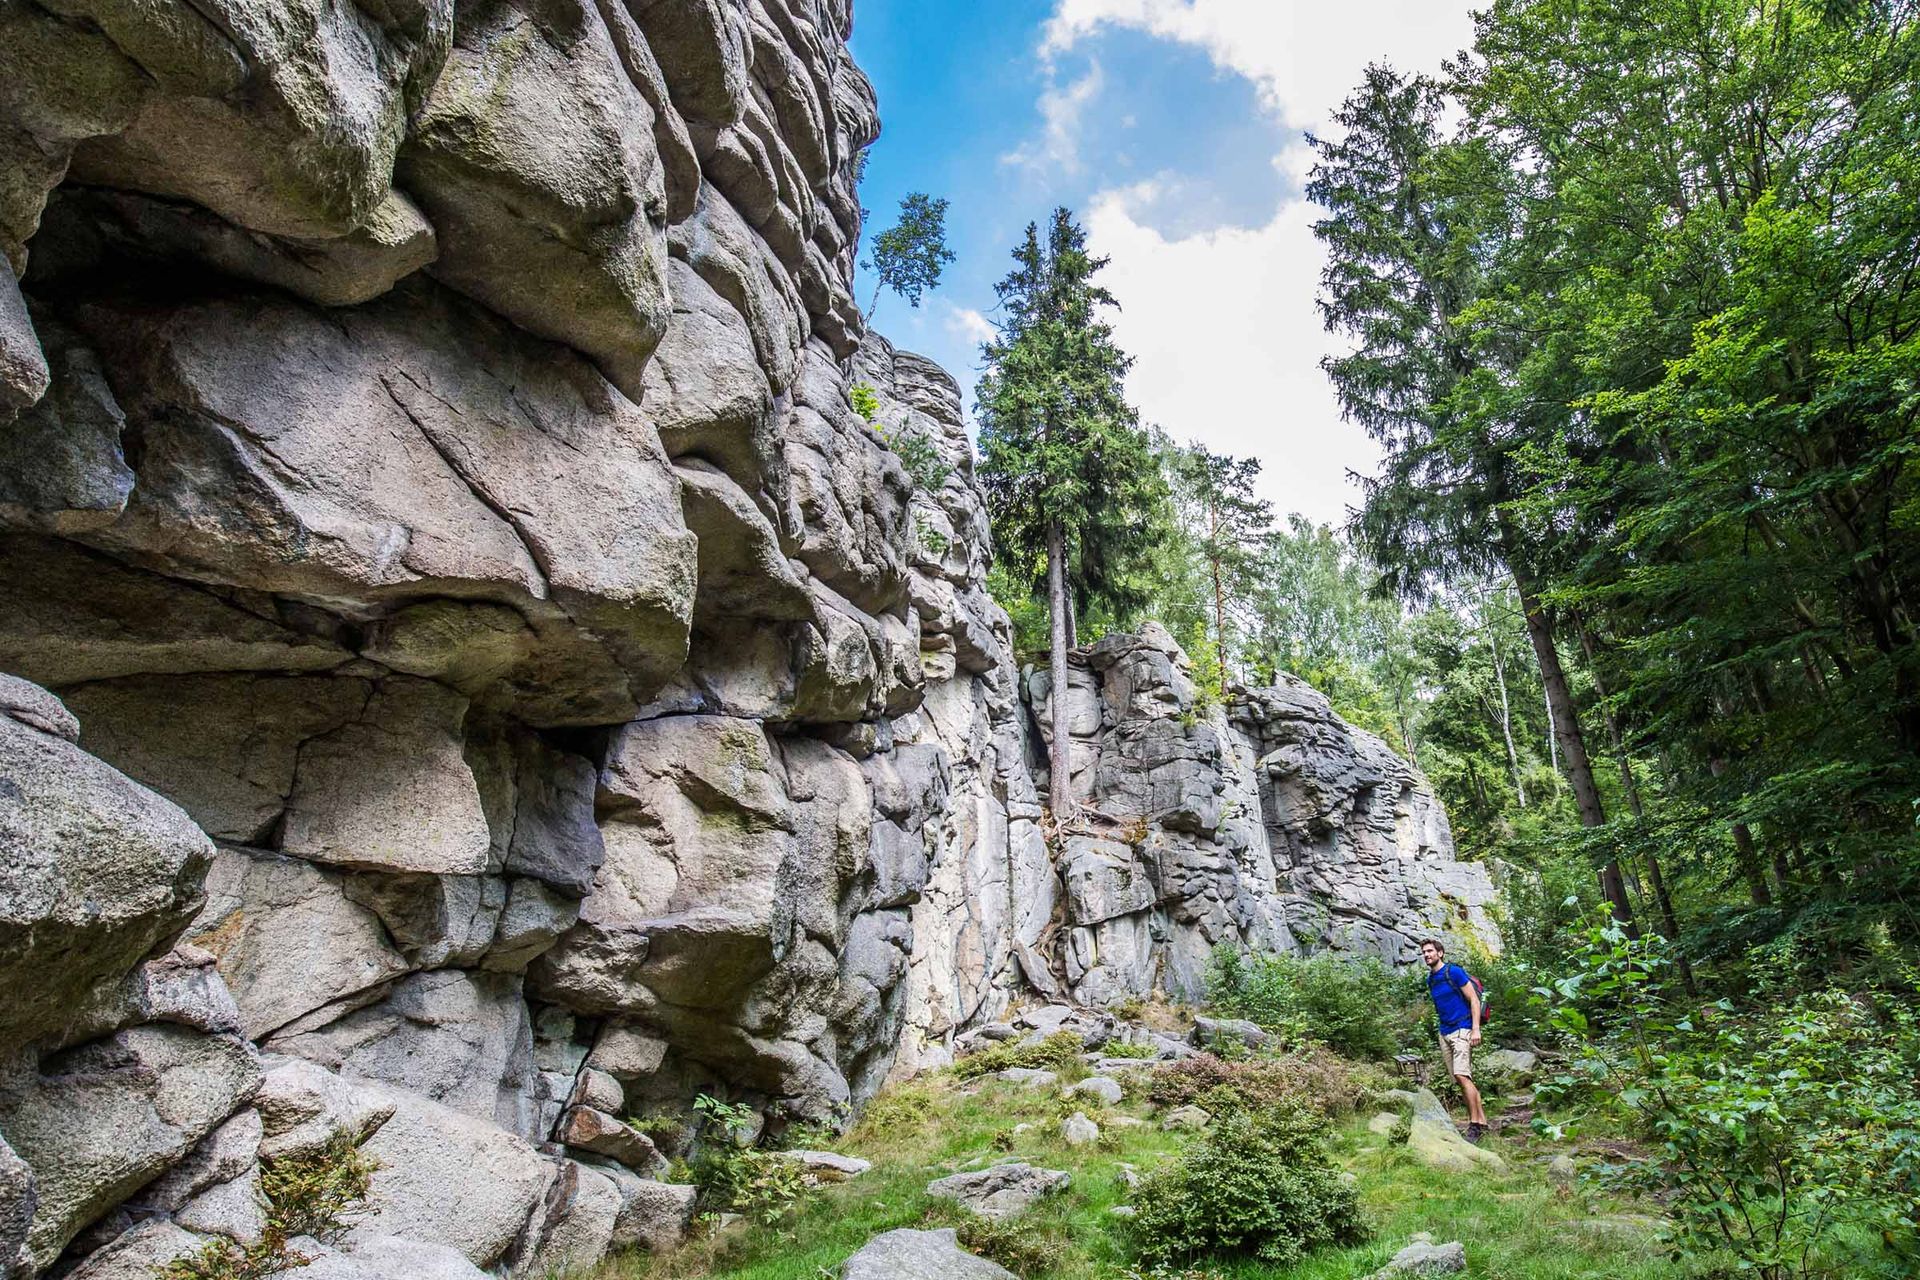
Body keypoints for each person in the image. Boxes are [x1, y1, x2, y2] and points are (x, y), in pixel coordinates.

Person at [1419, 937, 1487, 1142]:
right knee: (1461, 1078)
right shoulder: (1430, 980)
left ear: (1440, 953)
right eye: (1424, 952)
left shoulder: (1453, 972)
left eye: (1430, 951)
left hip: (1463, 1029)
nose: (1426, 955)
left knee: (1461, 1075)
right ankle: (1481, 1122)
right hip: (1445, 1032)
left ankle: (1474, 1125)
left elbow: (1473, 999)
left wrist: (1475, 1029)